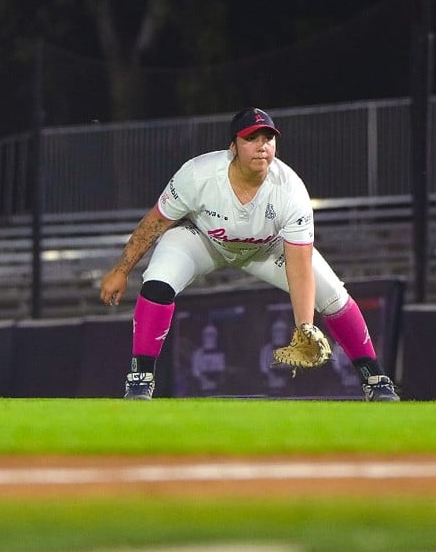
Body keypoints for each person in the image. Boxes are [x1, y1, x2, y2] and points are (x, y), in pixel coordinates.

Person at [99, 107, 400, 401]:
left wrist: (305, 327)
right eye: (251, 138)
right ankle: (141, 377)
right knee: (157, 282)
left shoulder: (290, 190)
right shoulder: (198, 174)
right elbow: (155, 222)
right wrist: (122, 270)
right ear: (233, 147)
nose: (261, 146)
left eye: (267, 138)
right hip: (203, 238)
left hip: (266, 248)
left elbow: (299, 268)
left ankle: (374, 377)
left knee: (334, 295)